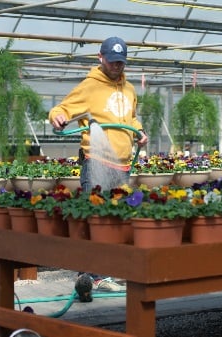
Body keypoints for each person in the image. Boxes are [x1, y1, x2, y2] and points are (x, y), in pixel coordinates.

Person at [49, 36, 148, 302]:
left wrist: (138, 132)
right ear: (100, 58)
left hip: (123, 165)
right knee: (94, 216)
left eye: (121, 62)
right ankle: (89, 275)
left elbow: (131, 117)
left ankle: (110, 270)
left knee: (116, 219)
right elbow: (61, 109)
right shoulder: (90, 87)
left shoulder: (129, 89)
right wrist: (57, 118)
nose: (117, 66)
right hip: (96, 162)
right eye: (113, 61)